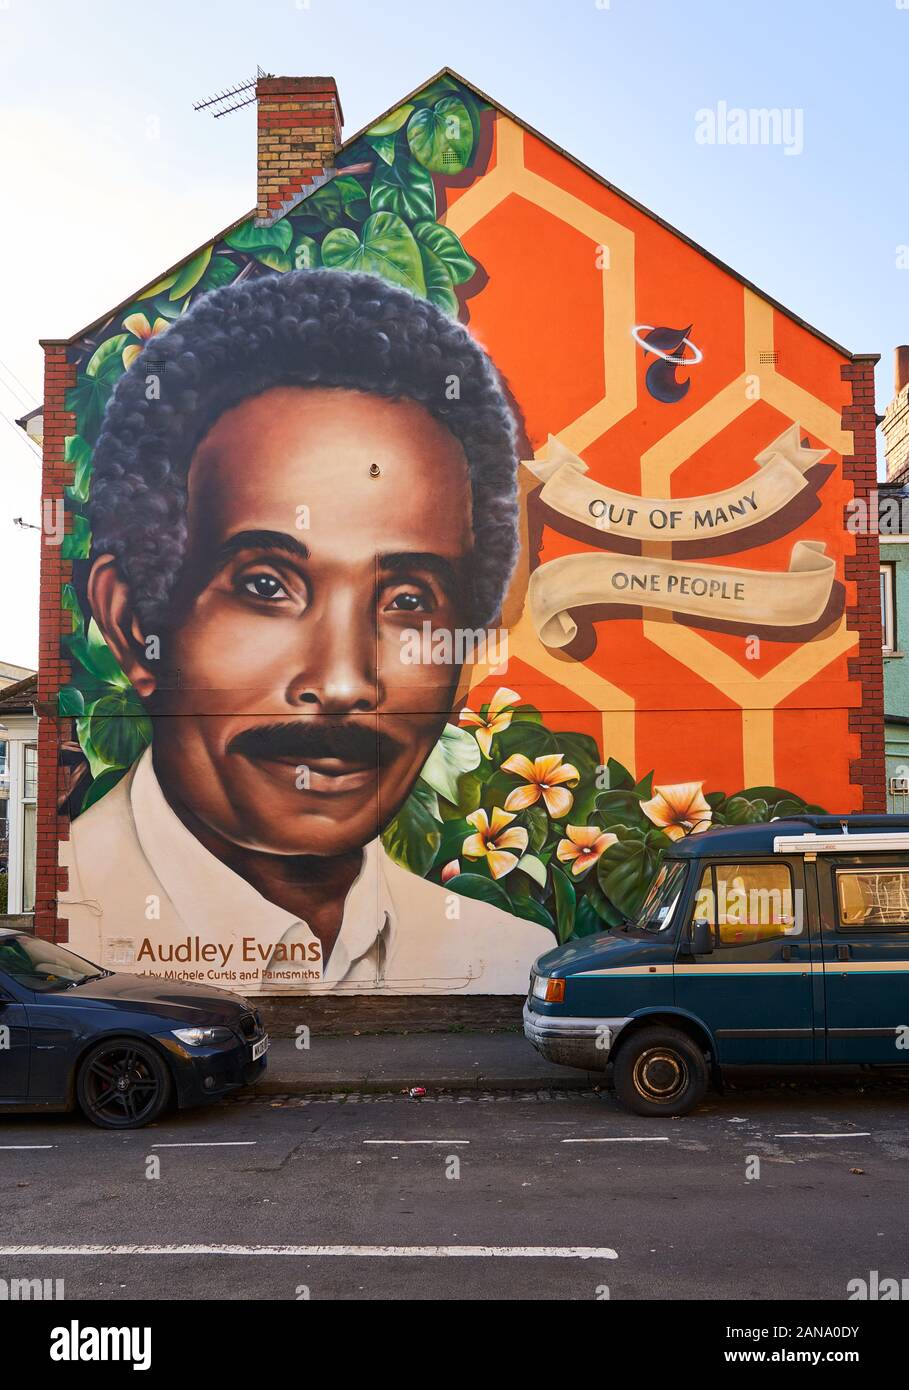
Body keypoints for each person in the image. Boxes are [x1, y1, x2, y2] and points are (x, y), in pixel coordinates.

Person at [61, 268, 552, 993]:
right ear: (134, 626)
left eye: (408, 599)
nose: (343, 682)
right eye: (265, 586)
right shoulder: (68, 944)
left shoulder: (507, 961)